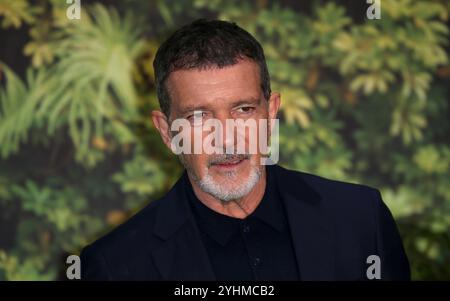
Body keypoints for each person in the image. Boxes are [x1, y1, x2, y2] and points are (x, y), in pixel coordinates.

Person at [80, 19, 410, 281]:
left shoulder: (362, 219)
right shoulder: (113, 265)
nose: (226, 138)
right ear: (167, 132)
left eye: (243, 110)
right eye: (199, 115)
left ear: (270, 112)